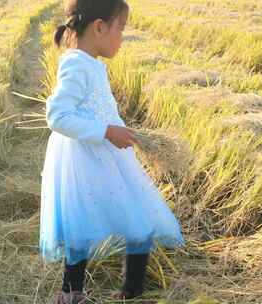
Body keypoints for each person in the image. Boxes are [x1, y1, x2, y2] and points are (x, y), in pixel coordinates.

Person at [38, 0, 186, 303]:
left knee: (130, 220)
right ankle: (73, 294)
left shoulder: (91, 63)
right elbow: (57, 116)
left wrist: (122, 131)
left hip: (105, 156)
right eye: (121, 28)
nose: (122, 36)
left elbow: (99, 109)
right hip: (85, 159)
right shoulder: (77, 64)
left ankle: (127, 291)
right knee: (111, 225)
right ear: (100, 27)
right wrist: (106, 132)